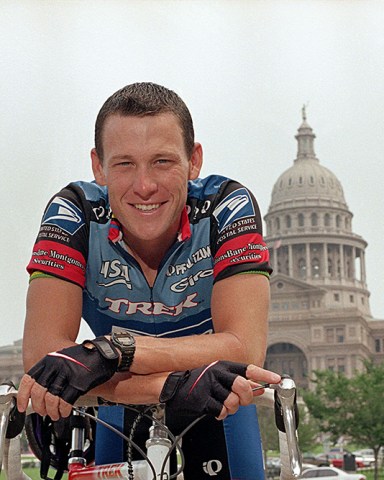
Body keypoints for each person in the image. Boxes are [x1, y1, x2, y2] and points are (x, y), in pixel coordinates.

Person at [17, 82, 280, 479]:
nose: (144, 186)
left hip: (209, 394)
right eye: (124, 164)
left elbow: (244, 348)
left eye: (162, 161)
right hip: (155, 392)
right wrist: (170, 385)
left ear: (194, 161)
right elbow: (45, 363)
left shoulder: (228, 205)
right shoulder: (72, 213)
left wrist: (110, 352)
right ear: (98, 166)